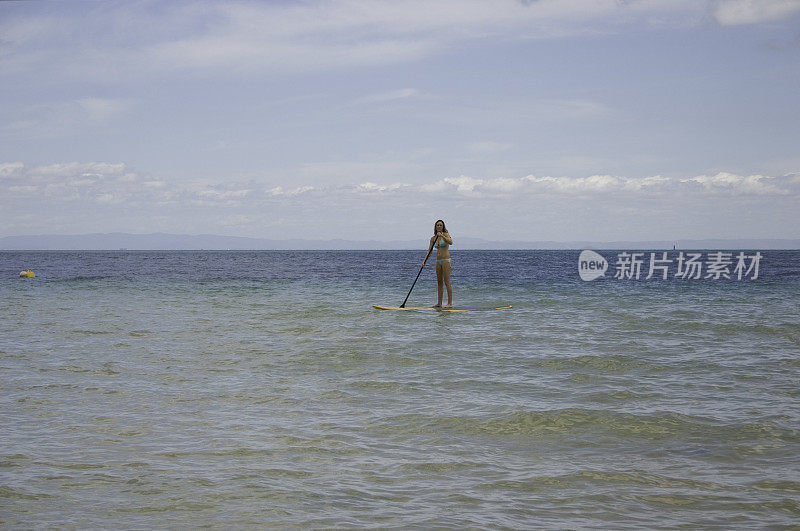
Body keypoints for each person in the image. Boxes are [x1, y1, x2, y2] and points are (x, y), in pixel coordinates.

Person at [422, 219, 453, 308]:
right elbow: (429, 251)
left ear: (443, 227)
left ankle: (449, 303)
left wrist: (442, 236)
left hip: (446, 260)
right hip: (438, 261)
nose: (439, 226)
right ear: (435, 227)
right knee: (439, 282)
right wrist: (424, 261)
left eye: (440, 225)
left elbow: (451, 242)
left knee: (447, 282)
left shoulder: (446, 234)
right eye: (437, 225)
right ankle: (439, 303)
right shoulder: (433, 238)